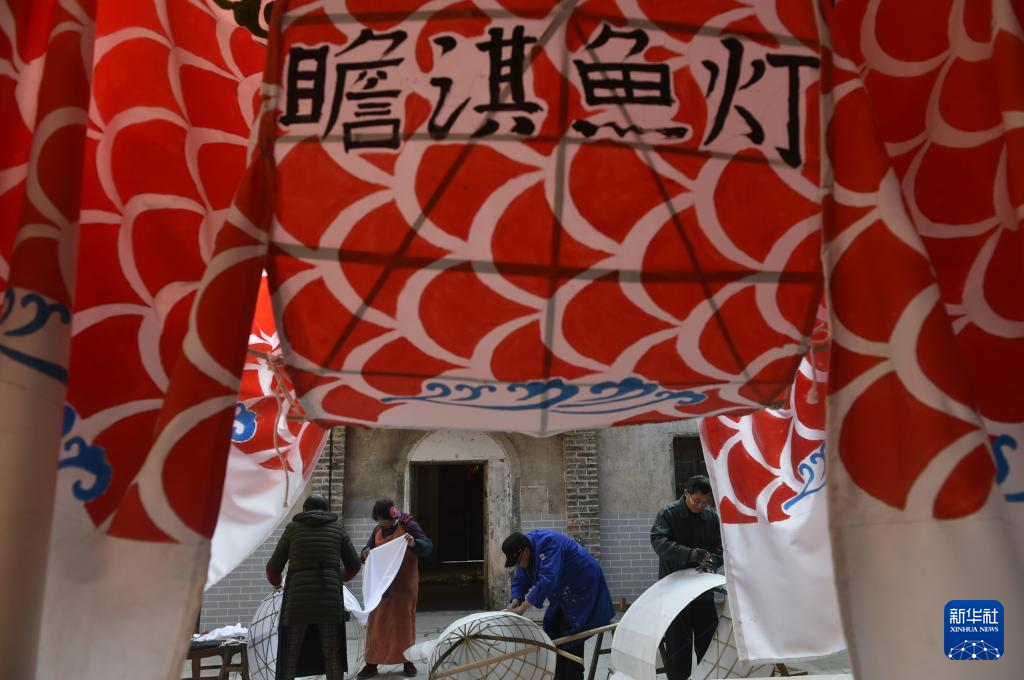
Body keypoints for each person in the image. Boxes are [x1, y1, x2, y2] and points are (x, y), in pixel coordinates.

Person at [266, 494, 361, 680]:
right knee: (333, 657)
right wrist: (337, 578)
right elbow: (355, 565)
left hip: (297, 603)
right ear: (326, 510)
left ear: (304, 510)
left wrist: (278, 584)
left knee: (289, 657)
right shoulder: (337, 528)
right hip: (329, 602)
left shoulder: (292, 529)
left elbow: (272, 569)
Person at [502, 530, 614, 680]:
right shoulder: (525, 549)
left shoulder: (549, 545)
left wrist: (523, 608)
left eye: (518, 561)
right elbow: (521, 579)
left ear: (526, 551)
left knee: (570, 635)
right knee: (552, 630)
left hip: (584, 587)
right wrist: (516, 599)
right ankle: (557, 675)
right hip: (563, 592)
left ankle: (573, 675)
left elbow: (548, 580)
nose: (519, 565)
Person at [650, 475, 724, 680]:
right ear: (686, 493)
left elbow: (721, 546)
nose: (700, 506)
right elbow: (658, 541)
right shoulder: (668, 513)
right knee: (677, 647)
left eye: (705, 502)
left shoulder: (711, 518)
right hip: (674, 592)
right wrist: (688, 554)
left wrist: (713, 561)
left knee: (707, 646)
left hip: (703, 593)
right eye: (697, 501)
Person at [356, 499, 433, 679]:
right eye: (378, 520)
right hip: (381, 586)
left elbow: (427, 547)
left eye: (384, 520)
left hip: (403, 585)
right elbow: (367, 551)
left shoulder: (408, 526)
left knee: (403, 624)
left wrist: (413, 543)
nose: (381, 523)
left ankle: (408, 661)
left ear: (393, 516)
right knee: (376, 624)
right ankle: (371, 663)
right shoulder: (377, 531)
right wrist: (365, 553)